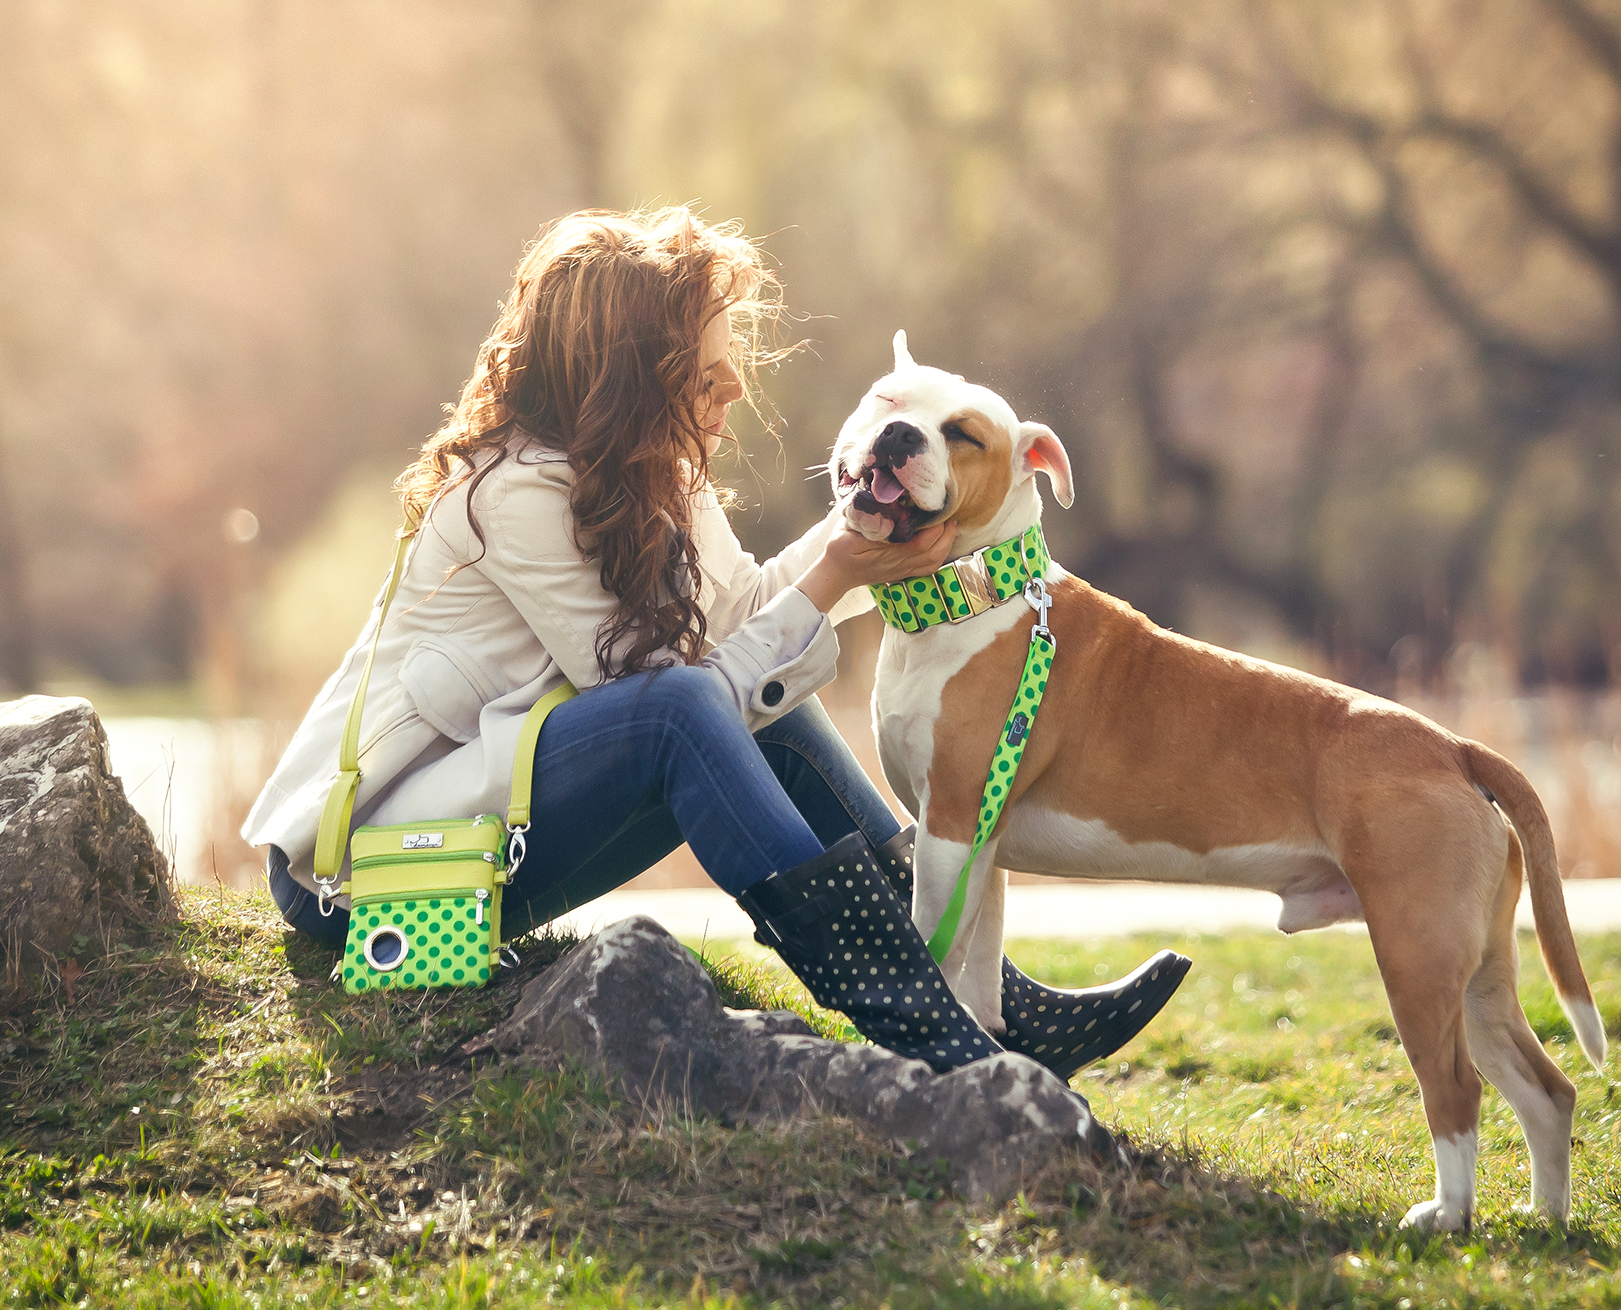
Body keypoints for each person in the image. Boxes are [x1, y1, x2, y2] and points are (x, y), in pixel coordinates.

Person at [242, 208, 1181, 1075]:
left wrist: (852, 536)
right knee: (701, 705)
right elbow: (674, 699)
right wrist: (837, 578)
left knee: (765, 701)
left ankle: (994, 1003)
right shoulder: (506, 495)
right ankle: (912, 1010)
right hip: (376, 880)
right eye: (704, 372)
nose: (736, 383)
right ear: (626, 383)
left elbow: (741, 626)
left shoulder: (656, 471)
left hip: (495, 828)